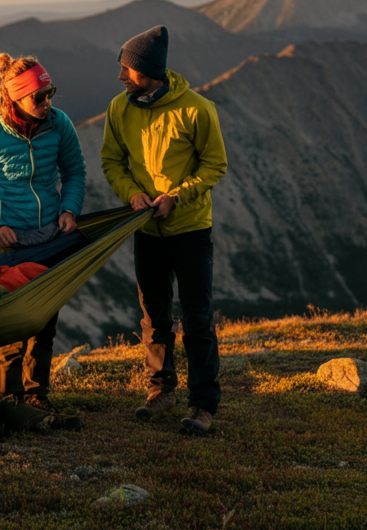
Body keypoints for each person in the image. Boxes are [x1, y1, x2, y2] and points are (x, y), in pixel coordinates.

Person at [100, 26, 228, 435]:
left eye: (127, 68)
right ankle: (161, 389)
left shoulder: (197, 109)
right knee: (154, 315)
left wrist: (177, 196)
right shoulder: (119, 108)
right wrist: (132, 194)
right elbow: (111, 161)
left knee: (196, 316)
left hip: (190, 228)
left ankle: (203, 403)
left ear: (150, 70)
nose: (120, 76)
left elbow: (215, 164)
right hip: (147, 230)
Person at [0, 53, 86, 414]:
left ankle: (37, 396)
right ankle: (9, 401)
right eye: (38, 97)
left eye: (49, 93)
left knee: (44, 321)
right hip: (10, 245)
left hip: (51, 239)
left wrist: (70, 209)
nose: (47, 103)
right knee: (12, 324)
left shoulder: (59, 124)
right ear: (15, 98)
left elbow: (74, 171)